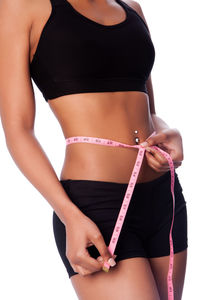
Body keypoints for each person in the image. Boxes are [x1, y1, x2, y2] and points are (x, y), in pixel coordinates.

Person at [0, 0, 188, 299]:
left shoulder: (132, 10)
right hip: (95, 205)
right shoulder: (22, 7)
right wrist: (69, 216)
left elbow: (149, 111)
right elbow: (18, 130)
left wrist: (170, 134)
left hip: (164, 199)